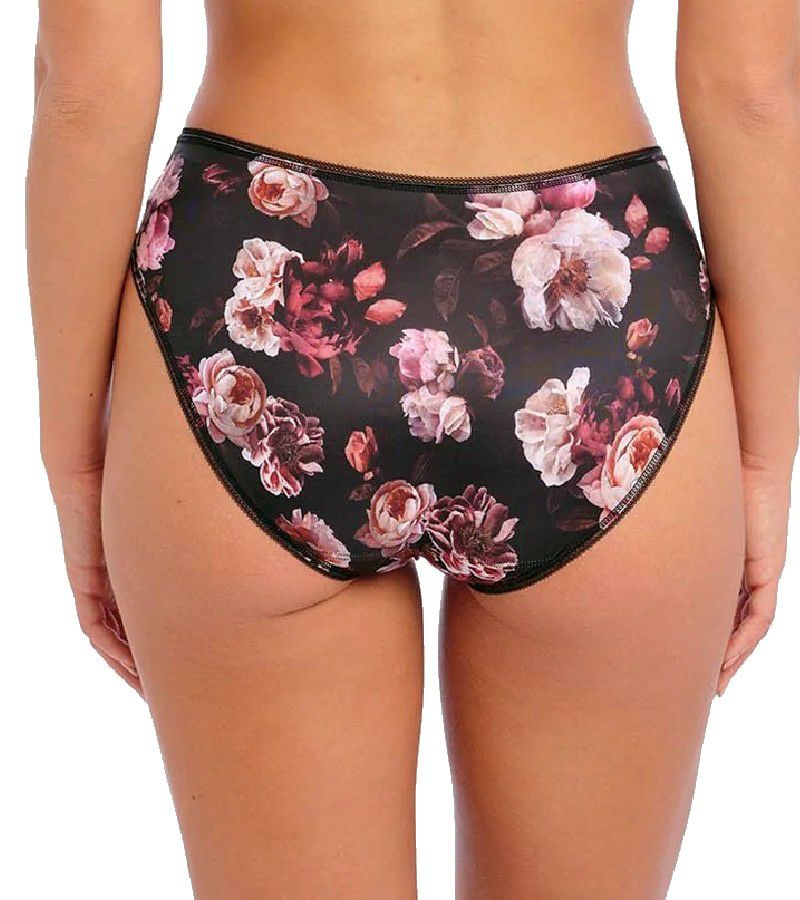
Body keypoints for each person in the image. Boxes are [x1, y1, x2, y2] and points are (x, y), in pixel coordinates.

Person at [26, 1, 799, 897]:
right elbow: (751, 92)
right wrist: (764, 459)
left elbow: (87, 92)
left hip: (260, 284)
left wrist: (74, 461)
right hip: (594, 309)